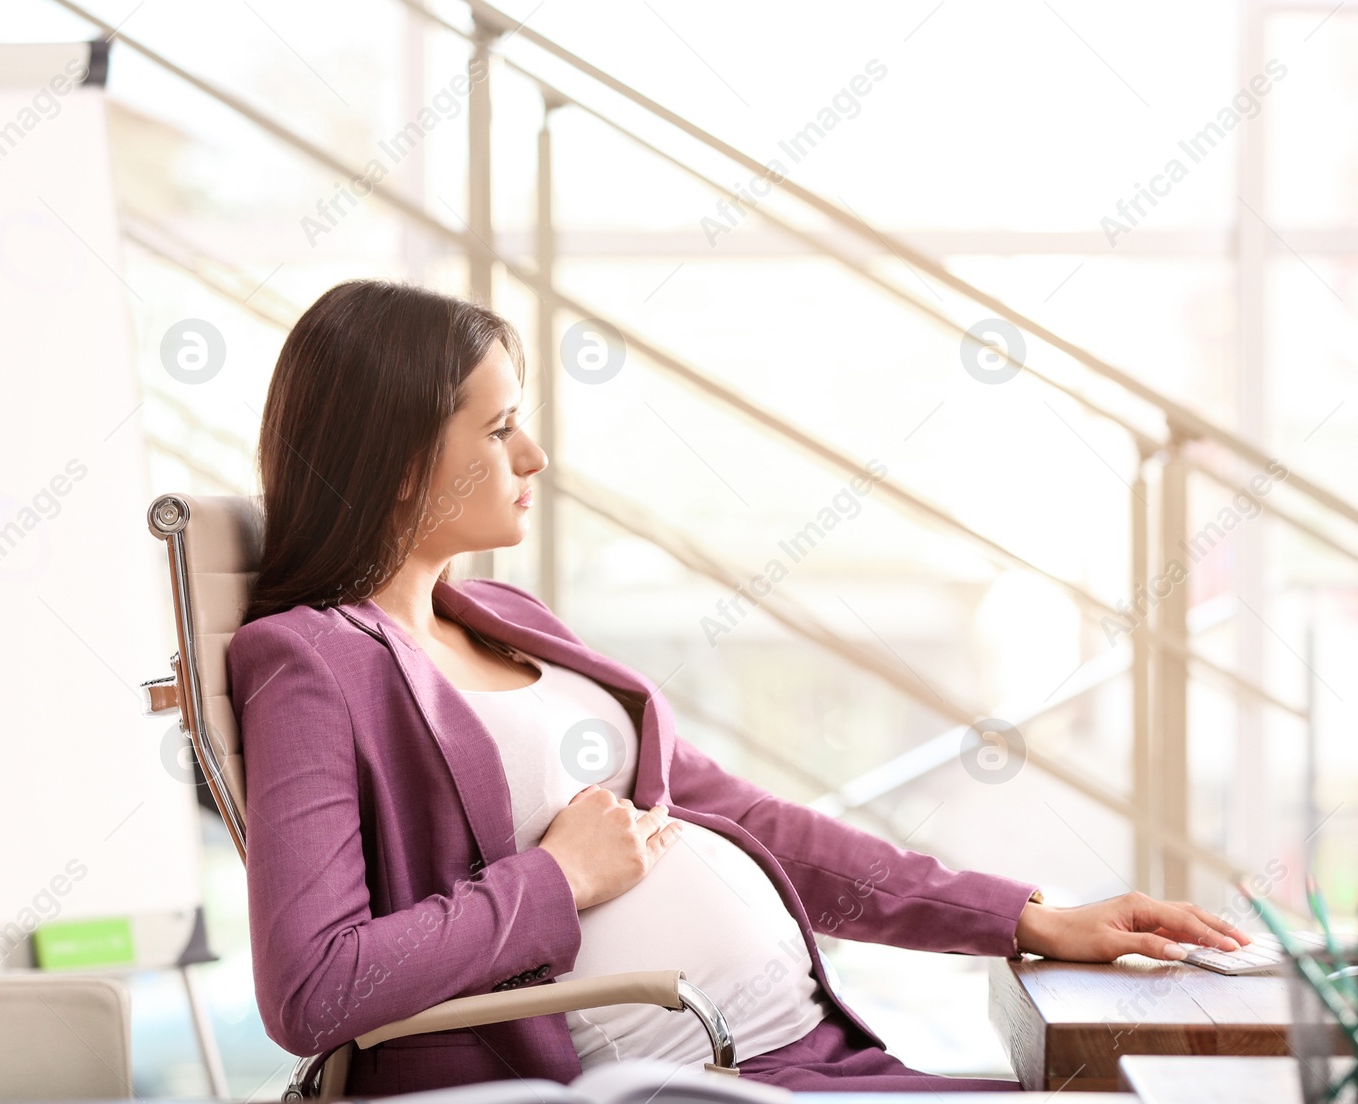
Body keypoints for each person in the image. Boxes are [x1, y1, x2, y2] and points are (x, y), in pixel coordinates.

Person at [229, 279, 1249, 1096]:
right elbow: (314, 989)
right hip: (688, 1079)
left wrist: (1020, 916)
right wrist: (558, 879)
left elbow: (744, 816)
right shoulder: (311, 662)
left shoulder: (510, 619)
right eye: (499, 431)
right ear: (405, 461)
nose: (534, 455)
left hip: (809, 1057)